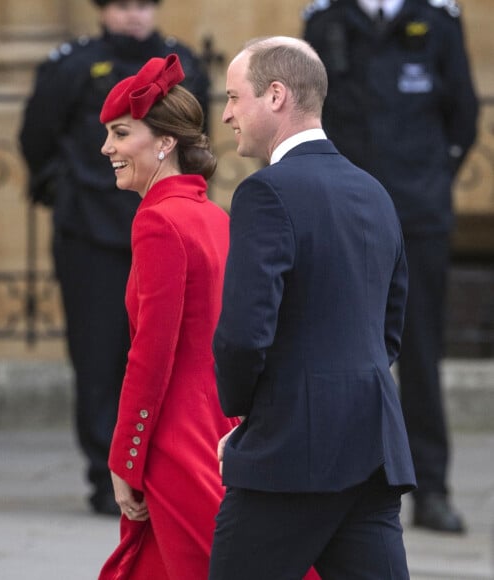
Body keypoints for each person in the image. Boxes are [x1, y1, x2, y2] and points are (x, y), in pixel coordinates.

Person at [208, 36, 416, 580]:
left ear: (275, 95)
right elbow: (388, 328)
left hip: (291, 455)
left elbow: (243, 334)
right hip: (372, 442)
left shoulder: (266, 193)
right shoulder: (374, 191)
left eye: (234, 97)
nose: (227, 113)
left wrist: (250, 419)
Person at [19, 0, 210, 516]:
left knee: (165, 347)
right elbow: (37, 135)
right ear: (103, 10)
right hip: (92, 231)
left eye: (145, 5)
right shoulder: (75, 64)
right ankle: (108, 474)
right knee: (100, 353)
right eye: (124, 5)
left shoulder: (180, 61)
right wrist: (64, 188)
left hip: (162, 225)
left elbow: (195, 135)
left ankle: (160, 462)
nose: (135, 16)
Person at [303, 0, 478, 533]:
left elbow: (463, 114)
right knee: (334, 352)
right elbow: (309, 113)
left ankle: (431, 489)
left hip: (417, 214)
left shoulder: (439, 20)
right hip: (345, 213)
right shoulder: (325, 20)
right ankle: (336, 489)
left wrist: (429, 179)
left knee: (420, 356)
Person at [94, 53, 239, 580]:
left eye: (120, 132)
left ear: (164, 142)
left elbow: (151, 353)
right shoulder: (211, 215)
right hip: (218, 423)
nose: (107, 147)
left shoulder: (158, 221)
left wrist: (124, 456)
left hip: (176, 437)